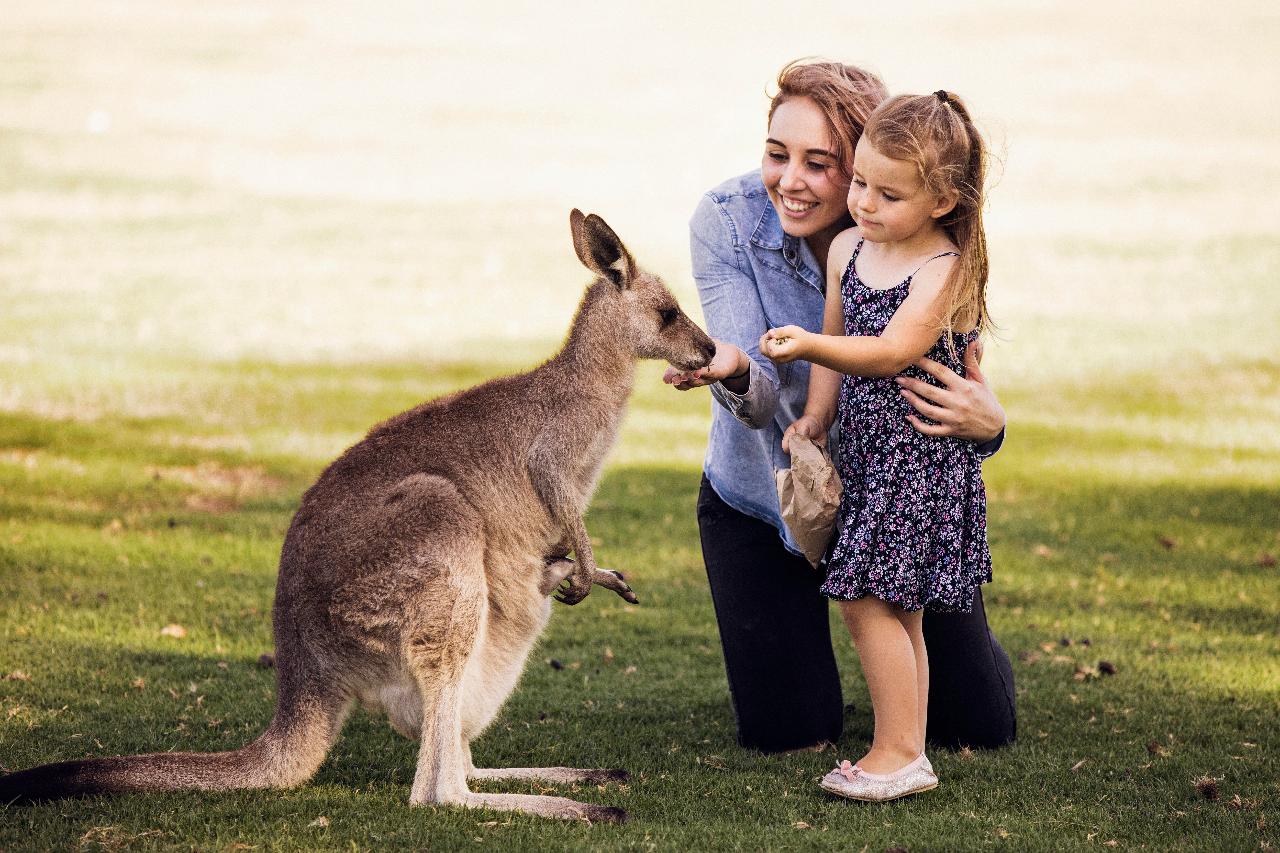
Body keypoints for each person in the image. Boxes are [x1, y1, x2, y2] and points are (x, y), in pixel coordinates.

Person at [664, 60, 1015, 759]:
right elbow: (764, 402)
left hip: (893, 494)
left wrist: (992, 425)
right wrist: (732, 366)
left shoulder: (928, 248)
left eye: (820, 163)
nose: (790, 181)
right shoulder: (727, 223)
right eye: (776, 154)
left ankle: (911, 714)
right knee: (791, 731)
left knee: (977, 725)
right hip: (769, 495)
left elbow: (942, 385)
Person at [761, 88, 995, 800]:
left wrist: (805, 342)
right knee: (895, 607)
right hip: (867, 457)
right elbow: (838, 358)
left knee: (866, 598)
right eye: (859, 181)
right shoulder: (847, 248)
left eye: (887, 193)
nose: (863, 202)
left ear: (943, 202)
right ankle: (910, 747)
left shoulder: (942, 267)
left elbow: (892, 351)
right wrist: (818, 418)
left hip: (920, 461)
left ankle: (896, 750)